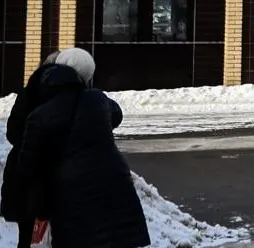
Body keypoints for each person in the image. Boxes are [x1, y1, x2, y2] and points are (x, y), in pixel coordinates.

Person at [11, 48, 151, 247]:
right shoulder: (98, 101)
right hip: (113, 191)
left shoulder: (39, 115)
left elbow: (27, 168)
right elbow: (116, 114)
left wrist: (37, 208)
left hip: (71, 198)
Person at [0, 55, 63, 248]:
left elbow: (12, 132)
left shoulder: (28, 93)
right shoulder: (64, 98)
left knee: (27, 235)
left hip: (24, 174)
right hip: (52, 177)